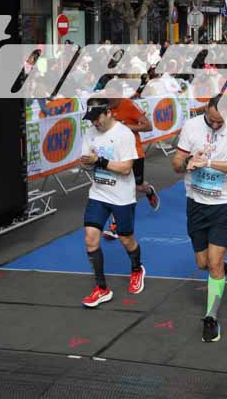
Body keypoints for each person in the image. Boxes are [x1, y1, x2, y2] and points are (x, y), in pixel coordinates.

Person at [171, 96, 227, 342]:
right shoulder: (191, 126)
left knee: (213, 263)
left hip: (225, 204)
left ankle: (211, 317)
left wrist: (208, 162)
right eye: (211, 120)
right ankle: (221, 270)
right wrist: (188, 162)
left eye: (220, 122)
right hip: (196, 203)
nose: (215, 125)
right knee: (203, 263)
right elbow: (175, 164)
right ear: (205, 110)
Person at [78, 98, 145, 307]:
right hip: (98, 194)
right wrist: (87, 163)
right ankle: (101, 288)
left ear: (108, 113)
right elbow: (86, 163)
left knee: (126, 239)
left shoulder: (124, 134)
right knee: (90, 239)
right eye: (91, 119)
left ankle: (137, 269)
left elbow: (126, 168)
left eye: (97, 118)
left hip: (122, 196)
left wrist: (99, 161)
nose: (94, 123)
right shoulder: (90, 133)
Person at [102, 97, 160, 241]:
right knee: (118, 188)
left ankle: (148, 190)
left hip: (135, 153)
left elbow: (148, 126)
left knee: (138, 186)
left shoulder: (129, 105)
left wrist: (125, 127)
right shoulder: (105, 107)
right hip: (116, 155)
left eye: (111, 98)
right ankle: (116, 225)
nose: (109, 102)